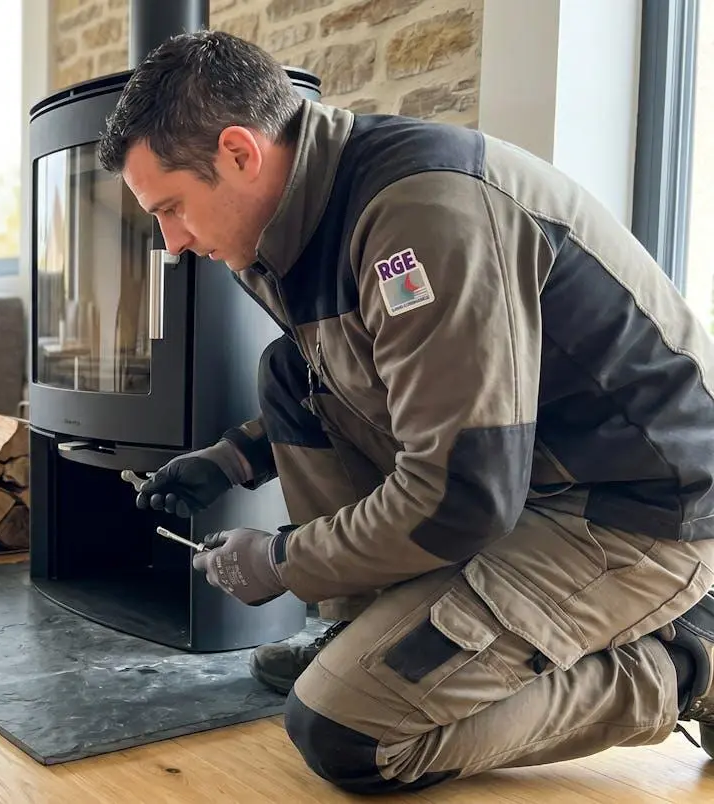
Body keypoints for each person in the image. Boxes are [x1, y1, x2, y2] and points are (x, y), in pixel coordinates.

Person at [98, 29, 714, 793]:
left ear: (238, 153)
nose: (173, 242)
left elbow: (461, 496)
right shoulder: (290, 223)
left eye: (172, 208)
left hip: (634, 507)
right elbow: (356, 380)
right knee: (285, 370)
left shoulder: (422, 214)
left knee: (348, 735)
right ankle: (362, 627)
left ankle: (686, 661)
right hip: (521, 471)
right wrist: (231, 460)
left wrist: (281, 560)